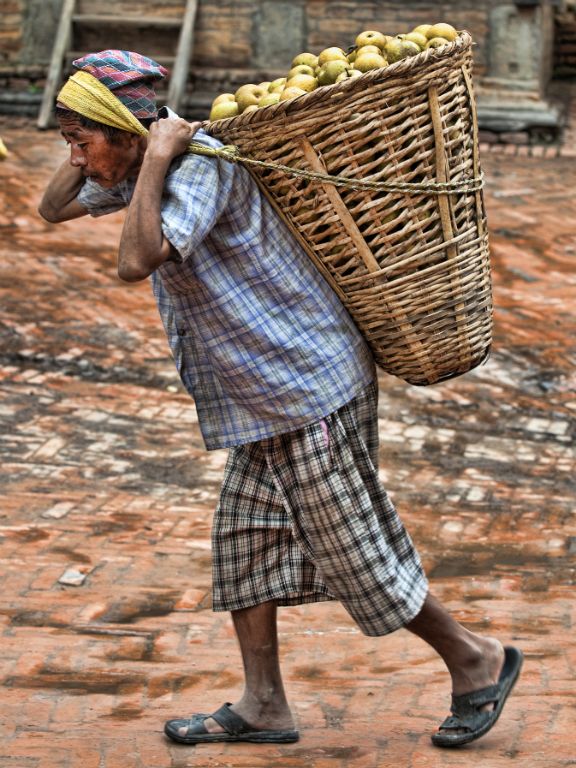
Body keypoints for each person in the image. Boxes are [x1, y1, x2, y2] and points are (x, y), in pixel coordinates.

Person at [39, 50, 522, 749]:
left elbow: (134, 260)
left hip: (305, 385)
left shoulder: (200, 167)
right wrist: (98, 148)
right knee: (246, 543)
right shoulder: (147, 162)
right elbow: (52, 208)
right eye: (70, 144)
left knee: (351, 549)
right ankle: (264, 704)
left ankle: (478, 659)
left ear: (126, 134)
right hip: (262, 396)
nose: (78, 160)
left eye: (82, 143)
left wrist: (149, 158)